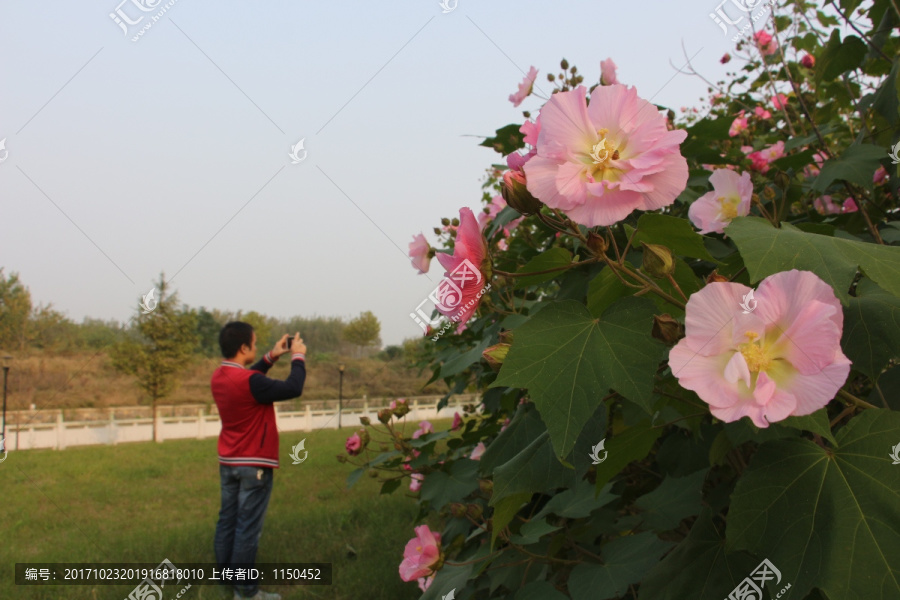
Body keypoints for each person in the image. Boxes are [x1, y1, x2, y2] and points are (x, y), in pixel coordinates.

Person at [211, 322, 308, 600]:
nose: (255, 347)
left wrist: (272, 356)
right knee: (247, 529)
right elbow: (293, 387)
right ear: (243, 348)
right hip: (254, 465)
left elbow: (249, 379)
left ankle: (227, 582)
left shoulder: (219, 377)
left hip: (228, 462)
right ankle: (248, 593)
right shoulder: (251, 383)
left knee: (227, 521)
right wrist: (298, 356)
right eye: (254, 344)